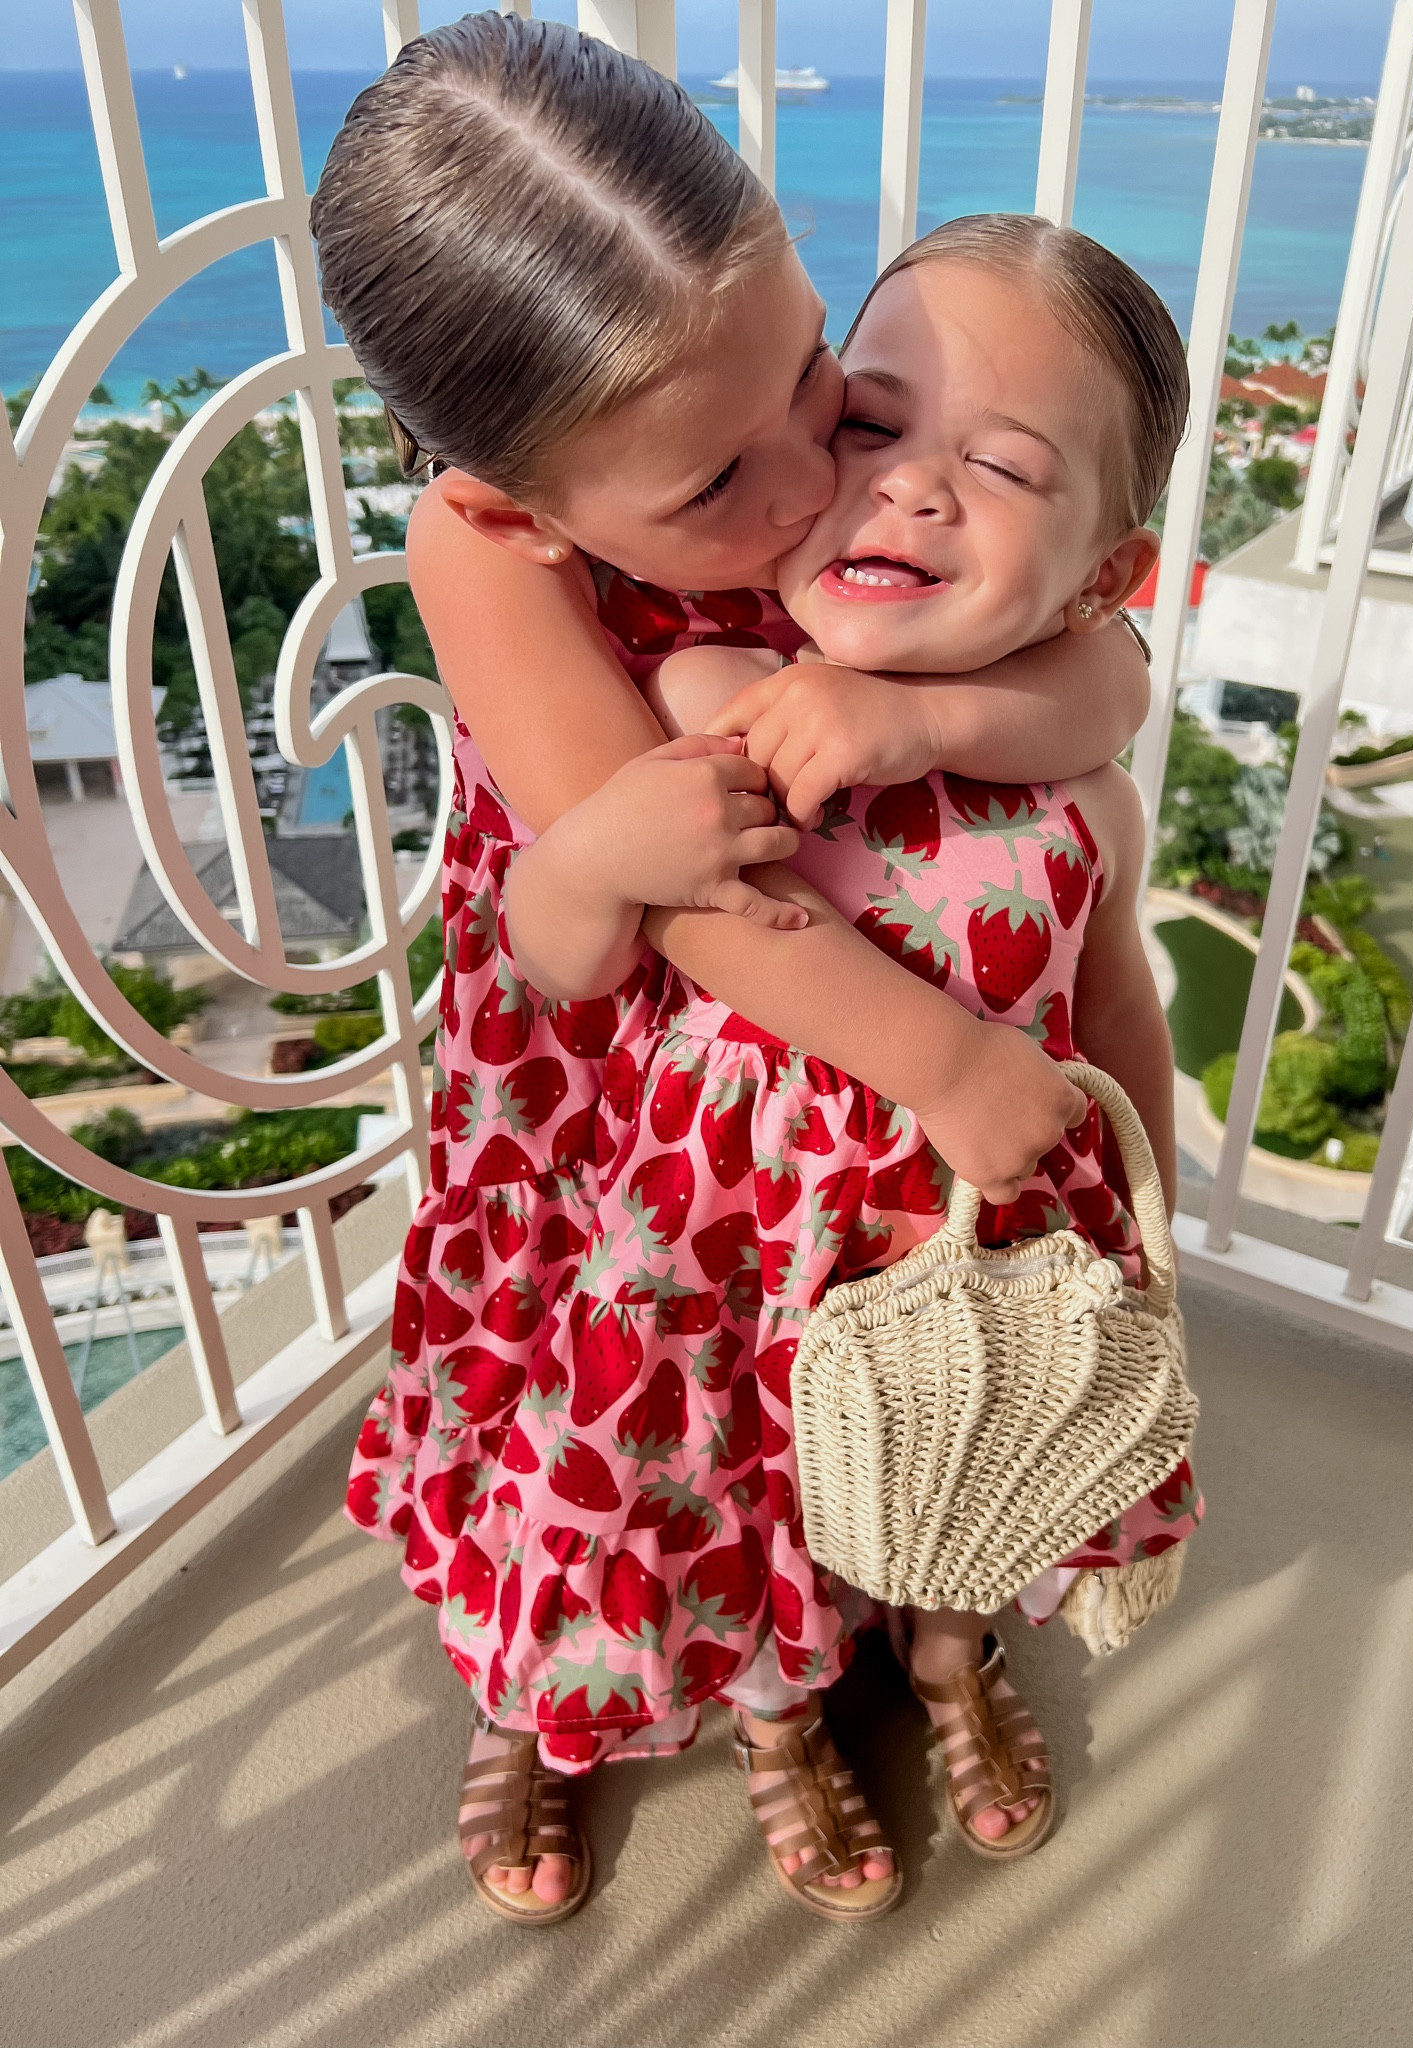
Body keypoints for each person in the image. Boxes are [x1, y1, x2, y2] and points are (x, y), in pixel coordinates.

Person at [316, 14, 1156, 1926]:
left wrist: (906, 716)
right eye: (718, 484)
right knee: (596, 1396)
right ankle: (539, 1683)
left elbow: (1109, 682)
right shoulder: (492, 553)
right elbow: (687, 895)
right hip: (616, 1074)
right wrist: (947, 1066)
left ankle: (788, 1684)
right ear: (518, 501)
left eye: (820, 389)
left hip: (805, 1087)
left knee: (775, 1389)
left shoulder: (846, 496)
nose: (806, 488)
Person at [511, 211, 1203, 1919]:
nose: (908, 489)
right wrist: (600, 858)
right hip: (730, 1264)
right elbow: (565, 949)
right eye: (874, 426)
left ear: (1104, 578)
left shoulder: (1080, 783)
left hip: (986, 1232)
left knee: (973, 1460)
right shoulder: (706, 699)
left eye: (1005, 466)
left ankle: (953, 1656)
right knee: (744, 1492)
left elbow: (1117, 1009)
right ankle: (775, 1713)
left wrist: (1150, 1203)